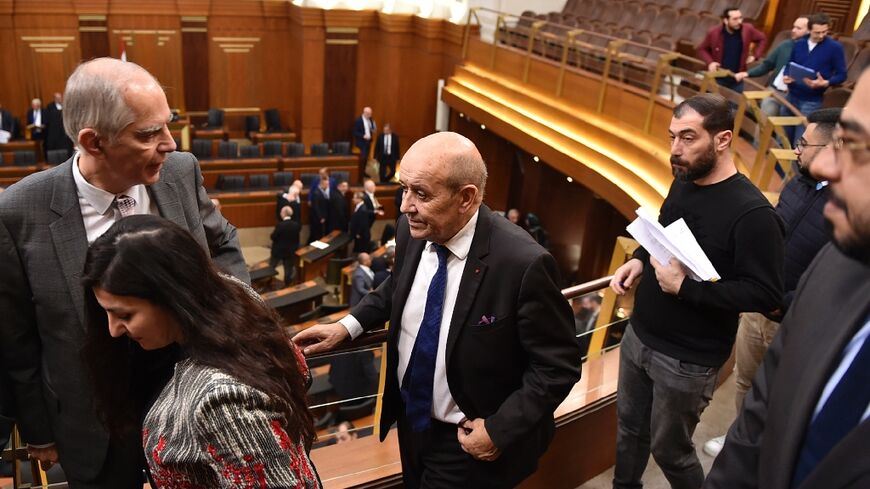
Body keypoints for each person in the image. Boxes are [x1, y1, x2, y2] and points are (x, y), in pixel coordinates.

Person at [0, 57, 249, 487]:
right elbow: (16, 336)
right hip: (94, 420)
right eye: (149, 134)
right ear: (94, 142)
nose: (170, 143)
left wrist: (229, 329)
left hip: (190, 396)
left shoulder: (180, 172)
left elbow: (223, 244)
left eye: (168, 125)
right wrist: (38, 429)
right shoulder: (19, 211)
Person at [293, 131, 581, 488]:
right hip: (411, 426)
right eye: (404, 189)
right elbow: (399, 286)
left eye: (421, 194)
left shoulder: (523, 264)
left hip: (468, 441)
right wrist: (348, 325)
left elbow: (558, 366)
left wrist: (499, 429)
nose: (404, 206)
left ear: (466, 198)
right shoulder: (414, 226)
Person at [704, 67, 870, 489]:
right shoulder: (841, 262)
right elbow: (758, 420)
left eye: (859, 148)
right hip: (762, 310)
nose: (831, 167)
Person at [609, 93, 783, 489]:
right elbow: (667, 232)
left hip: (687, 358)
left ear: (722, 140)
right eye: (672, 137)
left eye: (688, 138)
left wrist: (687, 289)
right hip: (640, 334)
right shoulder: (684, 179)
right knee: (629, 432)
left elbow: (764, 294)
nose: (675, 150)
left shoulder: (753, 215)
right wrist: (638, 258)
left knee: (670, 450)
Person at [81, 215, 321, 488]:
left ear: (171, 296)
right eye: (107, 313)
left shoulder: (222, 400)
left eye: (125, 314)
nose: (113, 330)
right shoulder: (235, 297)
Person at [703, 107, 838, 457]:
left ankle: (766, 456)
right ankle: (739, 442)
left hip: (795, 322)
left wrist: (785, 303)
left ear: (832, 148)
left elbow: (833, 276)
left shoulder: (849, 205)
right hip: (756, 310)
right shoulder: (797, 182)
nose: (796, 150)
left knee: (778, 396)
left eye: (804, 143)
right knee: (745, 382)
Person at [782, 13, 848, 145]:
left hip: (811, 101)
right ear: (809, 30)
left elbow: (842, 75)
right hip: (791, 96)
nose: (821, 35)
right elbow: (790, 64)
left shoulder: (835, 48)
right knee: (782, 138)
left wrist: (826, 82)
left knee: (800, 142)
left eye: (825, 32)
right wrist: (786, 75)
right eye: (817, 32)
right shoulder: (799, 43)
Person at [734, 16, 809, 118]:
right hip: (775, 91)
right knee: (764, 116)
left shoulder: (814, 52)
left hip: (796, 96)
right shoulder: (785, 45)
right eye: (793, 27)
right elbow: (767, 65)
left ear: (809, 31)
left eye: (798, 28)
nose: (793, 30)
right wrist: (747, 73)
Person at [697, 7, 767, 92]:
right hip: (718, 78)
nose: (739, 22)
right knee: (714, 104)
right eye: (735, 19)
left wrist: (755, 56)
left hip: (737, 79)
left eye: (740, 18)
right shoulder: (714, 33)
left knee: (735, 104)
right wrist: (710, 62)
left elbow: (762, 38)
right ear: (726, 20)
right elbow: (702, 49)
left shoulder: (747, 29)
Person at [271, 205, 302, 286]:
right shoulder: (296, 225)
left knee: (271, 267)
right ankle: (287, 285)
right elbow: (297, 239)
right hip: (290, 251)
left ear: (283, 214)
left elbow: (273, 237)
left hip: (278, 251)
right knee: (288, 270)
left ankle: (269, 281)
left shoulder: (280, 225)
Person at [353, 107, 376, 182]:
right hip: (361, 143)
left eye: (370, 114)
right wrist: (363, 136)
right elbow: (354, 132)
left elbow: (372, 129)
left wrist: (373, 129)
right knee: (362, 159)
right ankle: (360, 174)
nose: (370, 115)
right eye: (369, 114)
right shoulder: (358, 121)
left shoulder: (371, 120)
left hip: (368, 142)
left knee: (366, 159)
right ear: (365, 112)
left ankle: (363, 172)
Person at [309, 175, 331, 242]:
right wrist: (321, 217)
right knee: (316, 235)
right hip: (317, 218)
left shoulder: (321, 192)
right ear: (322, 184)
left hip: (320, 218)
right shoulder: (316, 193)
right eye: (327, 184)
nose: (328, 186)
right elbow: (316, 207)